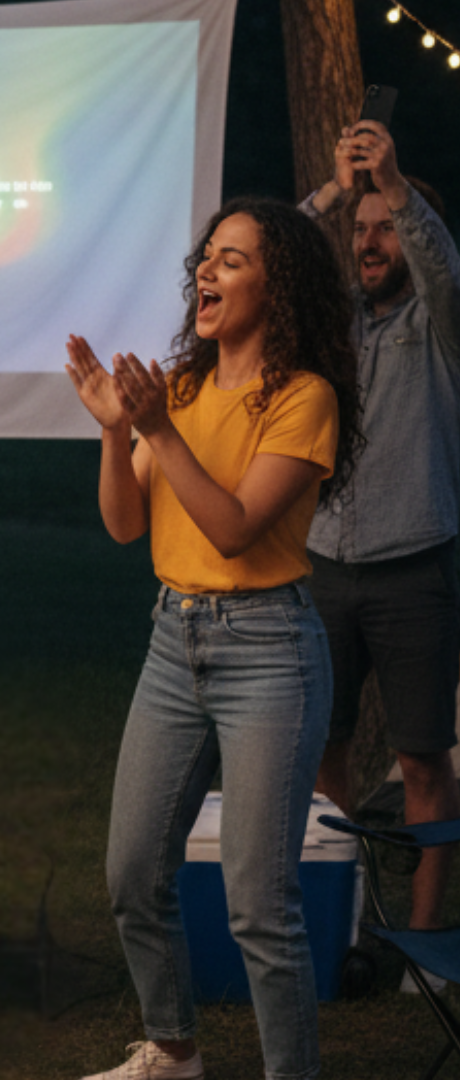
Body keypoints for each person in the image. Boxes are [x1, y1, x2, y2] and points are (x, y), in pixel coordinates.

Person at [66, 197, 360, 1080]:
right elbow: (126, 525)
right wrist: (120, 430)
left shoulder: (304, 399)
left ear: (280, 284)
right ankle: (175, 1048)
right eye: (208, 256)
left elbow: (232, 528)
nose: (207, 270)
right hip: (174, 642)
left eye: (232, 260)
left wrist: (154, 425)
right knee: (131, 875)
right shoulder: (182, 386)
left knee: (259, 904)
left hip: (270, 652)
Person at [302, 121, 460, 958]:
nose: (369, 243)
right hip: (324, 567)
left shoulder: (441, 328)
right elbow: (275, 263)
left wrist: (397, 185)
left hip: (415, 567)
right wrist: (334, 189)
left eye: (384, 228)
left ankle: (423, 948)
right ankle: (347, 921)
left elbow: (447, 275)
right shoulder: (335, 327)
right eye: (358, 231)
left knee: (425, 759)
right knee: (321, 748)